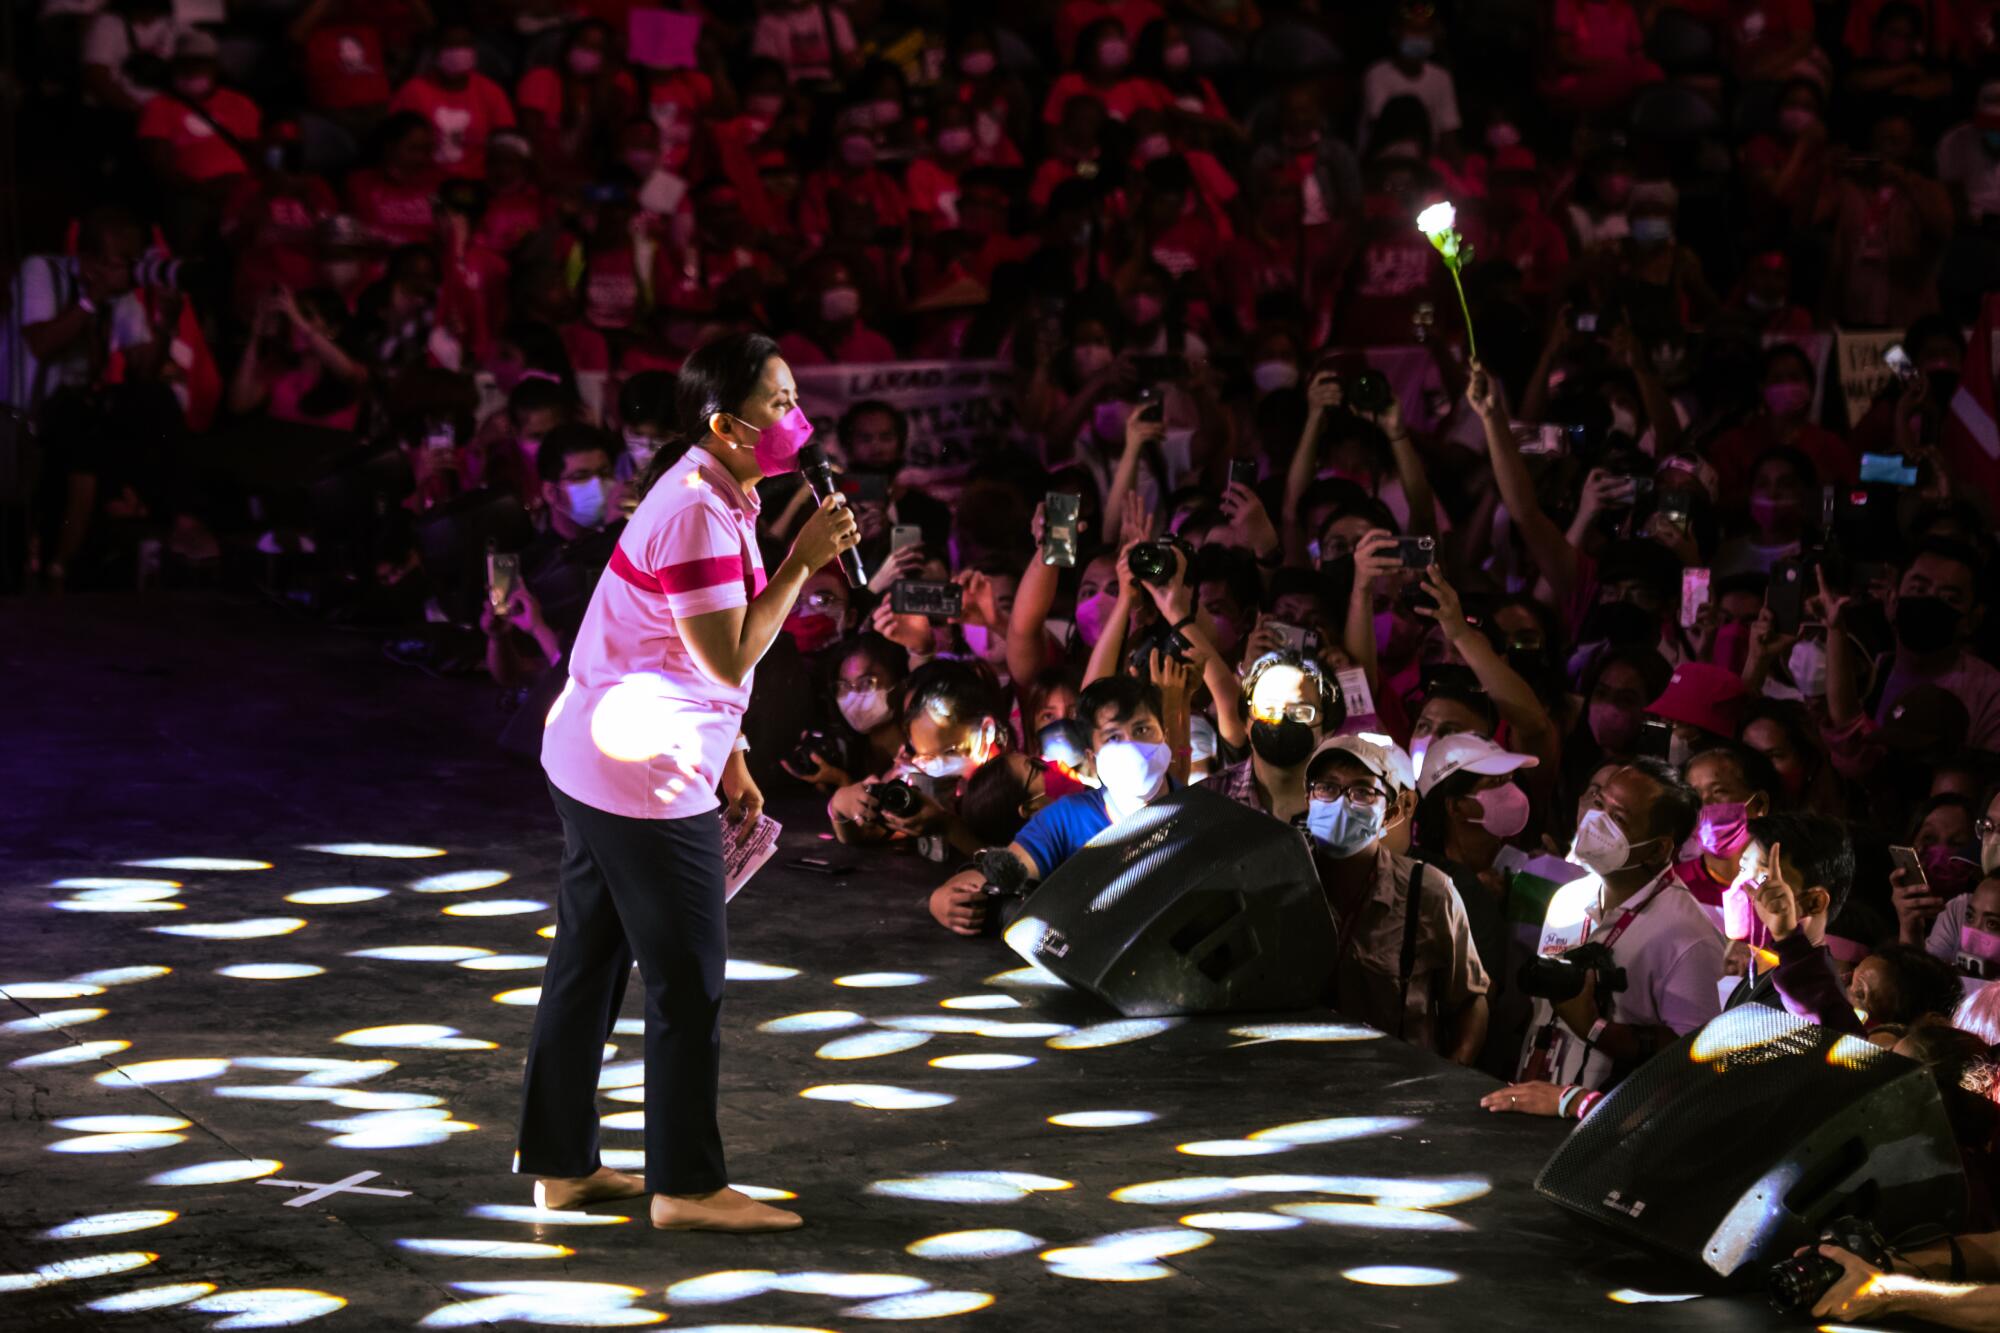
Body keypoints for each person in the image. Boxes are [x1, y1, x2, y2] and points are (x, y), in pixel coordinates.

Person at [519, 331, 859, 1233]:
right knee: (686, 978)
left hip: (600, 754)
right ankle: (687, 1185)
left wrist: (735, 751)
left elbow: (686, 648)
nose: (799, 419)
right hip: (641, 777)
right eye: (779, 404)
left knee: (587, 963)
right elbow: (727, 654)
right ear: (727, 424)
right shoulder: (700, 512)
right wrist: (803, 561)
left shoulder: (723, 491)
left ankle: (560, 1166)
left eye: (795, 396)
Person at [1513, 759, 1726, 1093]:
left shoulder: (1688, 938)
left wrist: (1595, 1028)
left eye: (1618, 819)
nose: (1596, 823)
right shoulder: (1568, 899)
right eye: (1599, 805)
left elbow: (1697, 1059)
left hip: (1609, 1129)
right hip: (1536, 1099)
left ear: (1658, 849)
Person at [926, 674, 1180, 935]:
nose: (1132, 746)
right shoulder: (1066, 820)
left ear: (1165, 736)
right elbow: (1005, 870)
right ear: (1093, 758)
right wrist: (943, 899)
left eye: (1142, 730)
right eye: (1113, 737)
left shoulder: (1203, 807)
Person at [1305, 734, 1491, 1064]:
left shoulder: (1429, 891)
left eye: (1362, 791)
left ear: (1391, 814)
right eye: (1327, 787)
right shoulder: (1282, 878)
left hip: (1397, 1091)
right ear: (1309, 797)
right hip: (1296, 1080)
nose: (1340, 802)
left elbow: (1469, 1002)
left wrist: (1448, 1080)